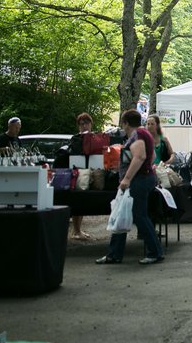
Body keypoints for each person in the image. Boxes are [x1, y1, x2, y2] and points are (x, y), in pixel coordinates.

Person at [96, 109, 164, 265]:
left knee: (139, 216)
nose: (123, 126)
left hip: (138, 180)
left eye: (123, 123)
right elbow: (151, 156)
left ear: (126, 122)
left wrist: (126, 179)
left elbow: (140, 156)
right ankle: (114, 254)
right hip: (143, 178)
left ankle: (155, 252)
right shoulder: (143, 134)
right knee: (122, 215)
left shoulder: (137, 136)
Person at [68, 112, 97, 241]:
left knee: (83, 202)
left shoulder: (95, 137)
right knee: (77, 202)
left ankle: (78, 230)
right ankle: (76, 230)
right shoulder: (75, 138)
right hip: (78, 173)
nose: (84, 126)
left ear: (91, 124)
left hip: (91, 171)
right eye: (81, 124)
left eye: (86, 123)